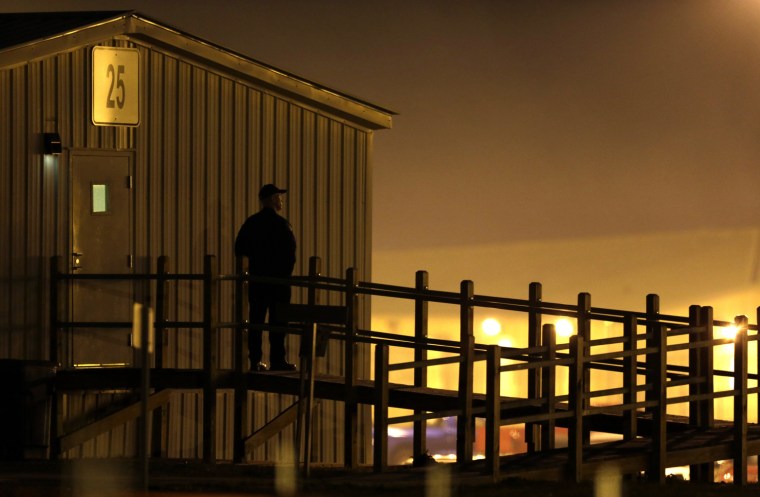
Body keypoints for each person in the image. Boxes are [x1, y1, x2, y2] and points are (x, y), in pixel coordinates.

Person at [235, 183, 297, 371]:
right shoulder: (282, 225)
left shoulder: (251, 224)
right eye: (279, 197)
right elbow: (290, 255)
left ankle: (255, 360)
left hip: (257, 281)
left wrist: (253, 270)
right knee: (278, 323)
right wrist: (283, 276)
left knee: (256, 321)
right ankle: (278, 360)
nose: (281, 201)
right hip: (278, 283)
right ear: (271, 199)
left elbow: (239, 250)